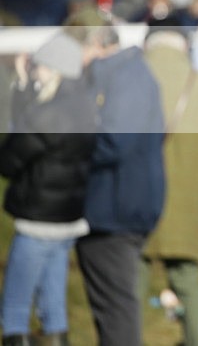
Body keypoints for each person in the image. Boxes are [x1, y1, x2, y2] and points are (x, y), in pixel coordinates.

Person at [68, 20, 166, 346]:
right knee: (114, 307)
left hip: (115, 209)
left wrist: (63, 152)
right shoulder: (128, 73)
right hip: (120, 204)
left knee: (116, 310)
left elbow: (115, 140)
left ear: (96, 42)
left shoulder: (124, 75)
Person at [0, 33, 96, 346]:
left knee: (15, 305)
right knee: (53, 302)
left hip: (36, 219)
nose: (37, 71)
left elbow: (10, 160)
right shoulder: (85, 106)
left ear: (55, 69)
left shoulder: (46, 113)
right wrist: (29, 87)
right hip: (68, 218)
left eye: (40, 66)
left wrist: (23, 89)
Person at [139, 17, 198, 346]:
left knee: (130, 281)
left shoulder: (136, 75)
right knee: (188, 280)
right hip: (187, 201)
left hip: (139, 195)